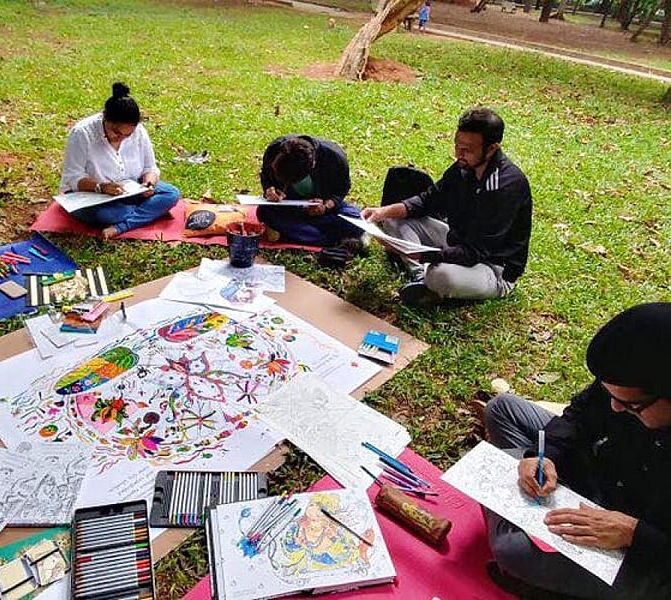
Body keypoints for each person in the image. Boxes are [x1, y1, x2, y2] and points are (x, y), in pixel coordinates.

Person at [483, 303, 671, 599]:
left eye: (631, 405)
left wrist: (634, 533)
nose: (615, 408)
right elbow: (580, 415)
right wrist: (543, 455)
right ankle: (516, 494)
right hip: (605, 477)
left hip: (648, 553)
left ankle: (507, 510)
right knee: (503, 409)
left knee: (512, 551)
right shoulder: (631, 381)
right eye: (610, 394)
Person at [361, 107, 531, 307]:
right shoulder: (464, 167)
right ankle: (420, 277)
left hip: (493, 267)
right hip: (456, 241)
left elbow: (474, 252)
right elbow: (428, 199)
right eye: (457, 146)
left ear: (492, 148)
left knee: (439, 274)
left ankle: (428, 280)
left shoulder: (504, 187)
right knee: (393, 218)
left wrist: (417, 254)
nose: (459, 154)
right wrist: (382, 211)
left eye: (467, 150)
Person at [59, 82, 180, 239]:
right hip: (91, 194)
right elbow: (72, 178)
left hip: (129, 188)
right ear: (105, 118)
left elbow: (150, 167)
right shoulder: (82, 133)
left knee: (171, 193)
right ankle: (143, 213)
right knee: (109, 215)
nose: (121, 138)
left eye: (127, 135)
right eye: (116, 132)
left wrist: (148, 184)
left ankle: (122, 226)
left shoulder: (138, 131)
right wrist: (101, 187)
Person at [257, 135, 365, 248]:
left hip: (322, 211)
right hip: (288, 207)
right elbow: (266, 176)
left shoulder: (334, 158)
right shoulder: (274, 150)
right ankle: (327, 238)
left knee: (356, 218)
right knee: (264, 211)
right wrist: (270, 190)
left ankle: (298, 234)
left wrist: (326, 206)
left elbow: (342, 189)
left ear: (312, 166)